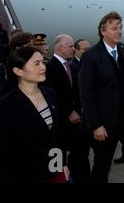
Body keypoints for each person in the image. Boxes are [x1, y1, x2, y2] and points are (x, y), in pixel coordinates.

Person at [79, 11, 124, 183]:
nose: (119, 31)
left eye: (120, 28)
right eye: (114, 28)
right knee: (102, 164)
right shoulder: (90, 56)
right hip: (105, 123)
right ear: (103, 31)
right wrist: (96, 125)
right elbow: (86, 94)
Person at [0, 46, 69, 182]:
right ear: (18, 71)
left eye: (42, 62)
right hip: (23, 175)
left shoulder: (50, 94)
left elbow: (57, 136)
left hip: (52, 171)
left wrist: (60, 164)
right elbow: (2, 153)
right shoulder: (3, 107)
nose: (43, 67)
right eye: (36, 63)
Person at [43, 34, 91, 183]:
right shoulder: (50, 67)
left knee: (80, 153)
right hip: (61, 122)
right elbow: (51, 95)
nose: (72, 49)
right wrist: (68, 111)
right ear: (60, 48)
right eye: (70, 46)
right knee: (59, 155)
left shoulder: (70, 66)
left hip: (77, 120)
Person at [0, 31, 33, 101]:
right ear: (18, 47)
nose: (32, 49)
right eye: (29, 46)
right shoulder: (4, 68)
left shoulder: (27, 64)